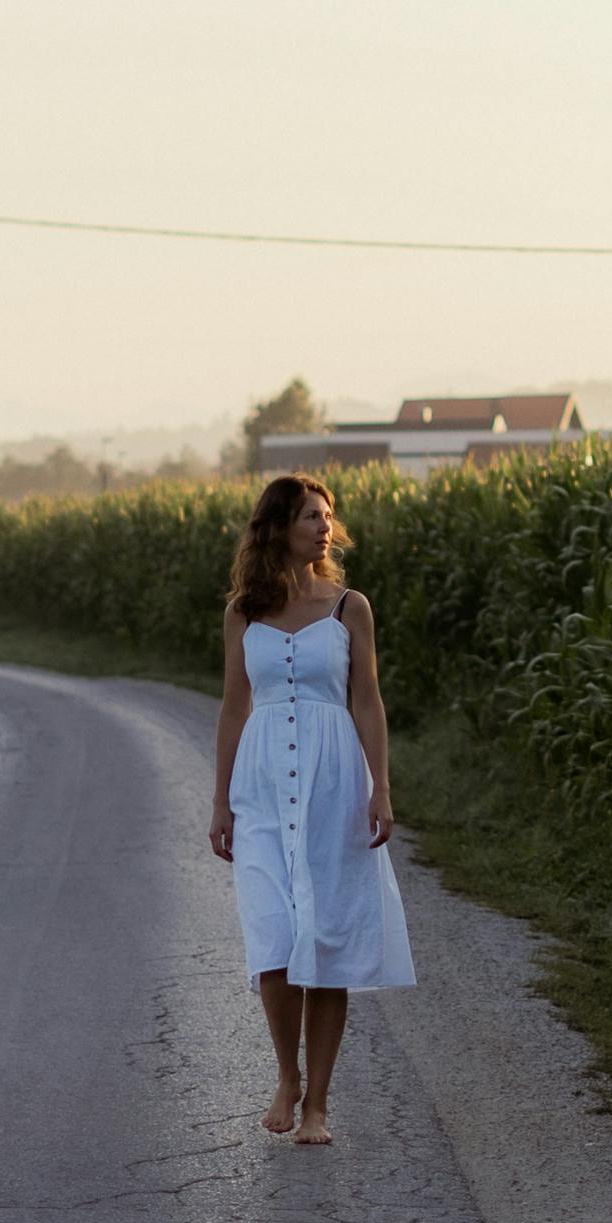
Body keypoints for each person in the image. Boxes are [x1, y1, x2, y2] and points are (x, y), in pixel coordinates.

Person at [210, 474, 415, 1143]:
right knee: (273, 937)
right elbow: (235, 707)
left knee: (327, 939)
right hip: (261, 784)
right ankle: (286, 1075)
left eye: (328, 517)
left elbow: (367, 702)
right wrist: (221, 801)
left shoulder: (350, 606)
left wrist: (379, 786)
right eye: (309, 517)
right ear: (277, 527)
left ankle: (318, 1103)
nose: (324, 527)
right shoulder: (245, 611)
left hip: (334, 782)